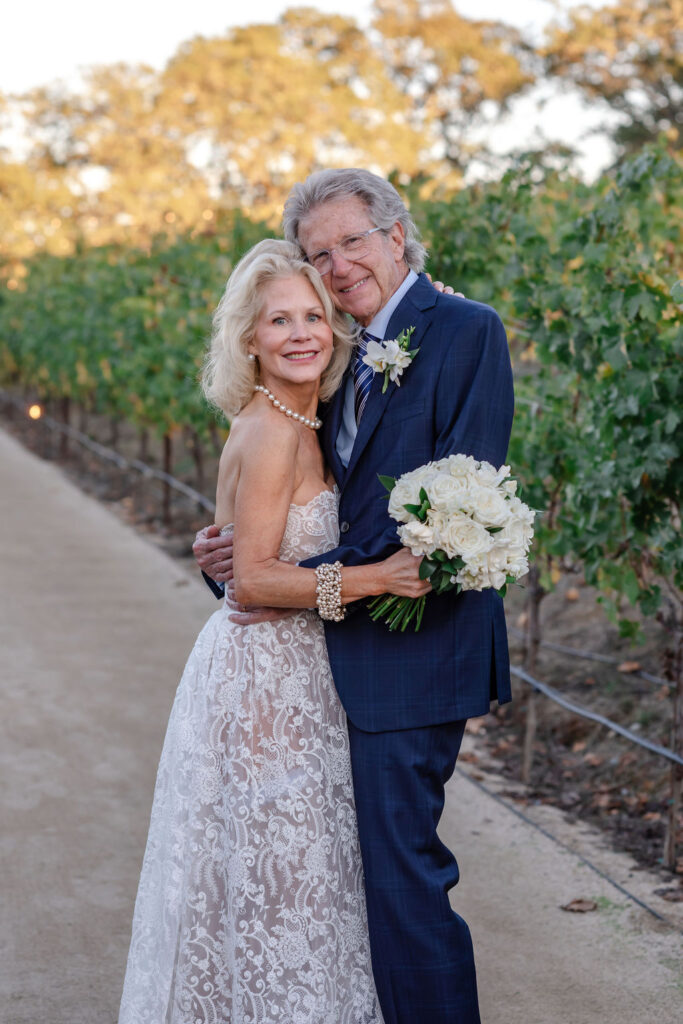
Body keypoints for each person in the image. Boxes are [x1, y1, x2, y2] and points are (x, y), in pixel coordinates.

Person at [195, 169, 514, 1024]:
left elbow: (466, 504)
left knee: (402, 883)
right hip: (320, 662)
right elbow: (296, 504)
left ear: (396, 235)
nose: (336, 266)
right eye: (318, 253)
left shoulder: (463, 331)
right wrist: (231, 558)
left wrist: (304, 580)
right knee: (344, 883)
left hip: (412, 656)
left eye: (352, 242)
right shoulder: (336, 353)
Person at [118, 239, 430, 1024]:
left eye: (313, 316)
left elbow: (245, 557)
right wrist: (378, 579)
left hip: (299, 670)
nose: (301, 333)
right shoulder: (268, 432)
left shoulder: (302, 419)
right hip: (262, 680)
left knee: (292, 874)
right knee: (280, 874)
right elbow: (251, 579)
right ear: (248, 339)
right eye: (278, 320)